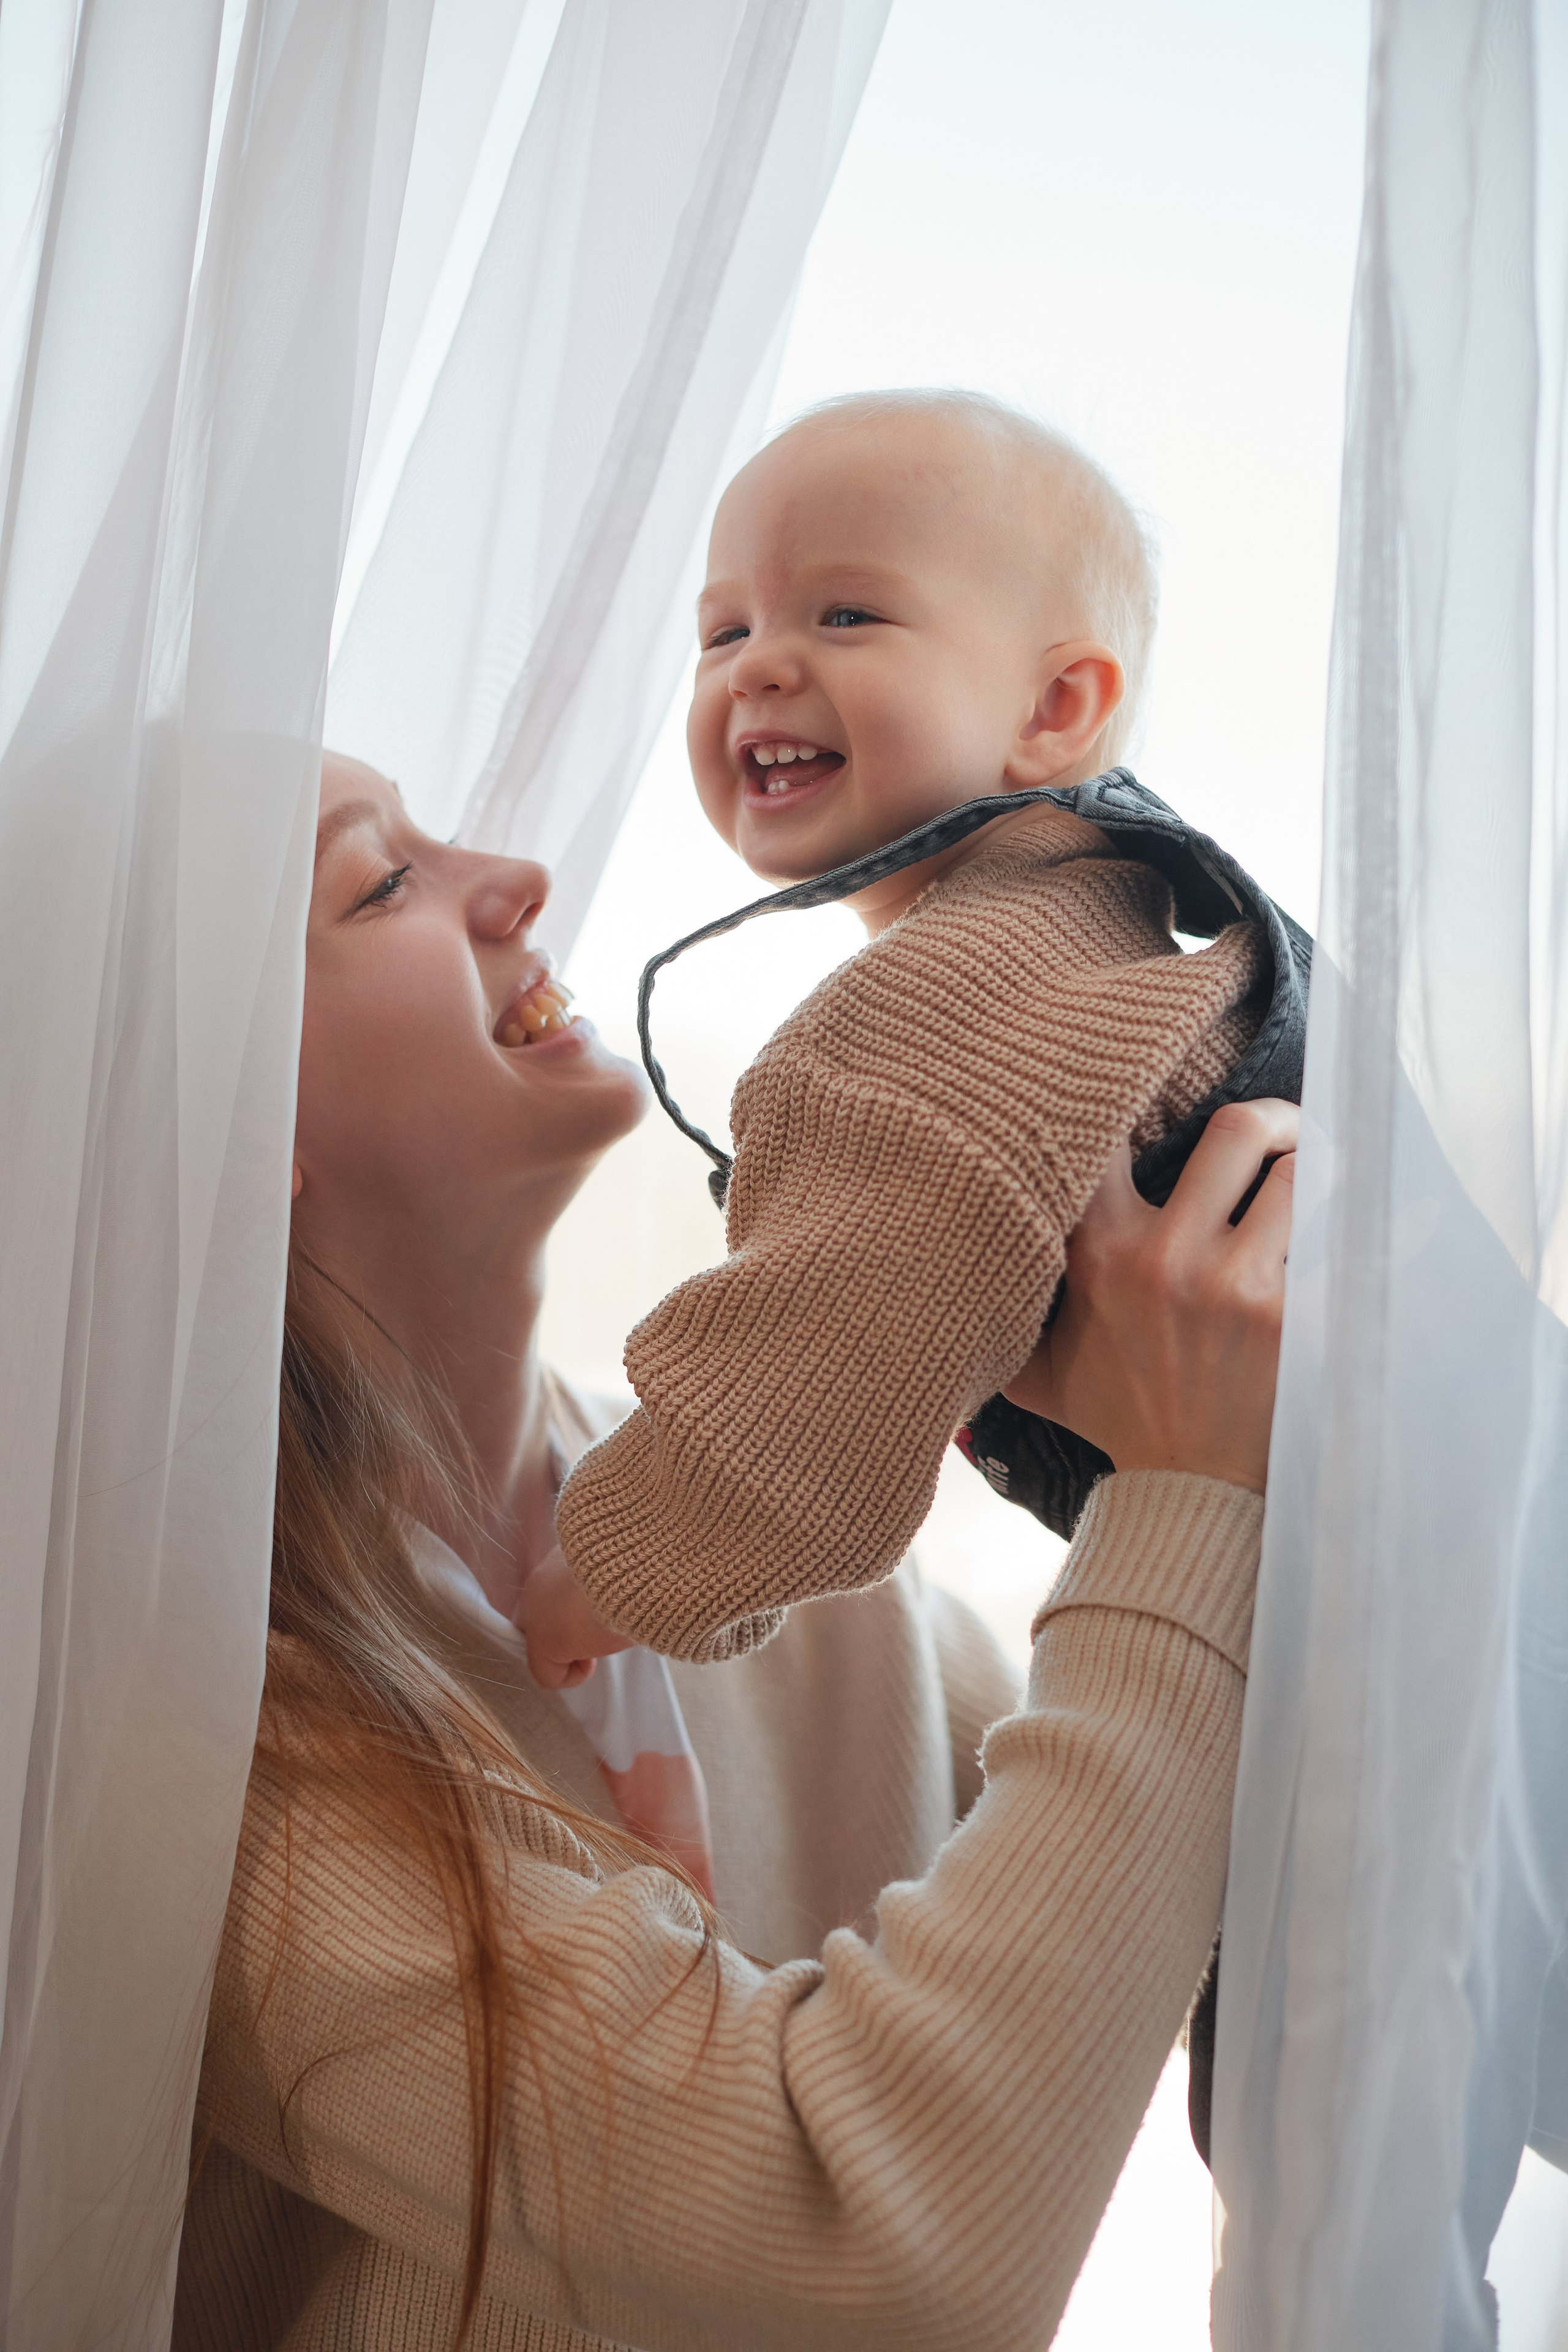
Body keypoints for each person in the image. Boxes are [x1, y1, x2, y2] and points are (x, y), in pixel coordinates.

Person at [173, 750, 1295, 2351]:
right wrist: (1192, 1496)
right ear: (207, 1124)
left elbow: (1248, 1890)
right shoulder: (220, 1763)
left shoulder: (779, 1553)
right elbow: (869, 2254)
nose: (516, 880)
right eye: (383, 882)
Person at [522, 390, 1301, 1683]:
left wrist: (601, 1579)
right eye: (722, 631)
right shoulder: (1107, 915)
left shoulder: (943, 1006)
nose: (756, 666)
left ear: (1052, 711)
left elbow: (804, 1389)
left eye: (845, 615)